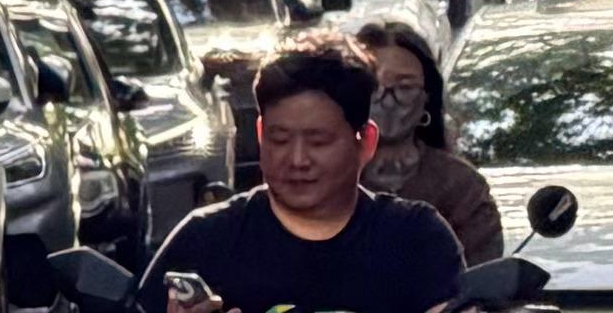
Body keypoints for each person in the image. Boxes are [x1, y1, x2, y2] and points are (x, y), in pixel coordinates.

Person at [137, 34, 462, 313]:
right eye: (279, 139)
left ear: (365, 143)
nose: (297, 159)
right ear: (261, 134)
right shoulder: (203, 242)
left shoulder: (416, 240)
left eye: (318, 141)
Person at [353, 26, 502, 270]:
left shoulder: (461, 186)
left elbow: (479, 280)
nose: (387, 100)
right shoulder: (316, 176)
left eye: (404, 87)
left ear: (426, 98)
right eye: (372, 86)